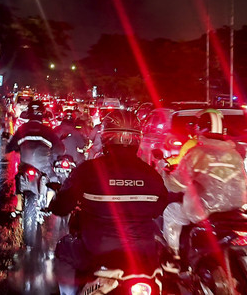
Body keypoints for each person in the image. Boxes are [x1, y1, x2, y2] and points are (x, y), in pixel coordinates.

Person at [50, 110, 168, 295]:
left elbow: (61, 206)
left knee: (62, 248)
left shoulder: (88, 170)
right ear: (137, 140)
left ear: (105, 137)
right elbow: (159, 208)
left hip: (98, 250)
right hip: (144, 254)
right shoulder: (152, 175)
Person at [160, 109, 247, 262]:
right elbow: (245, 180)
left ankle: (173, 258)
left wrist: (164, 174)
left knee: (170, 212)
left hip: (204, 212)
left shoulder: (197, 152)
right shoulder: (235, 155)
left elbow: (175, 184)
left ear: (200, 129)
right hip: (236, 208)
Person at [6, 100, 65, 179]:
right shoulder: (47, 130)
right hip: (43, 170)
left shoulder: (22, 129)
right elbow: (60, 149)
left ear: (28, 113)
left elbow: (9, 147)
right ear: (43, 113)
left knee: (18, 181)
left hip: (24, 171)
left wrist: (15, 148)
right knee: (55, 183)